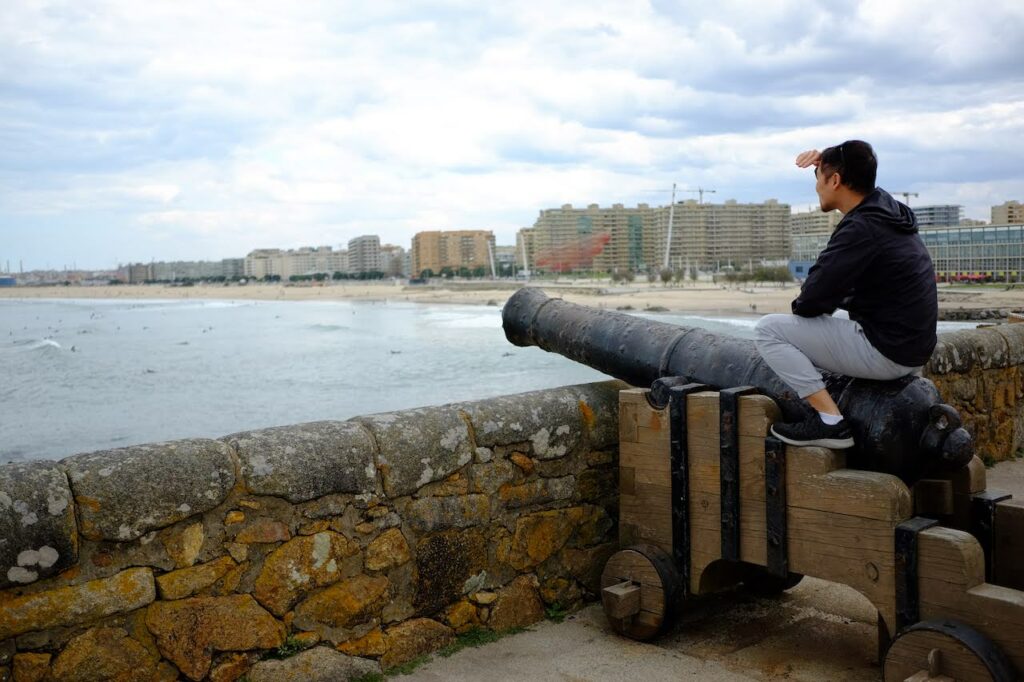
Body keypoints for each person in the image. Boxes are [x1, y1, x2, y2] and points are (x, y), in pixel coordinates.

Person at [754, 140, 937, 448]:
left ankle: (830, 423)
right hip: (914, 348)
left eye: (819, 179)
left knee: (769, 330)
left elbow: (809, 302)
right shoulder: (887, 212)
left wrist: (818, 302)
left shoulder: (861, 228)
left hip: (889, 352)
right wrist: (825, 161)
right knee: (831, 317)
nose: (816, 188)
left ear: (835, 180)